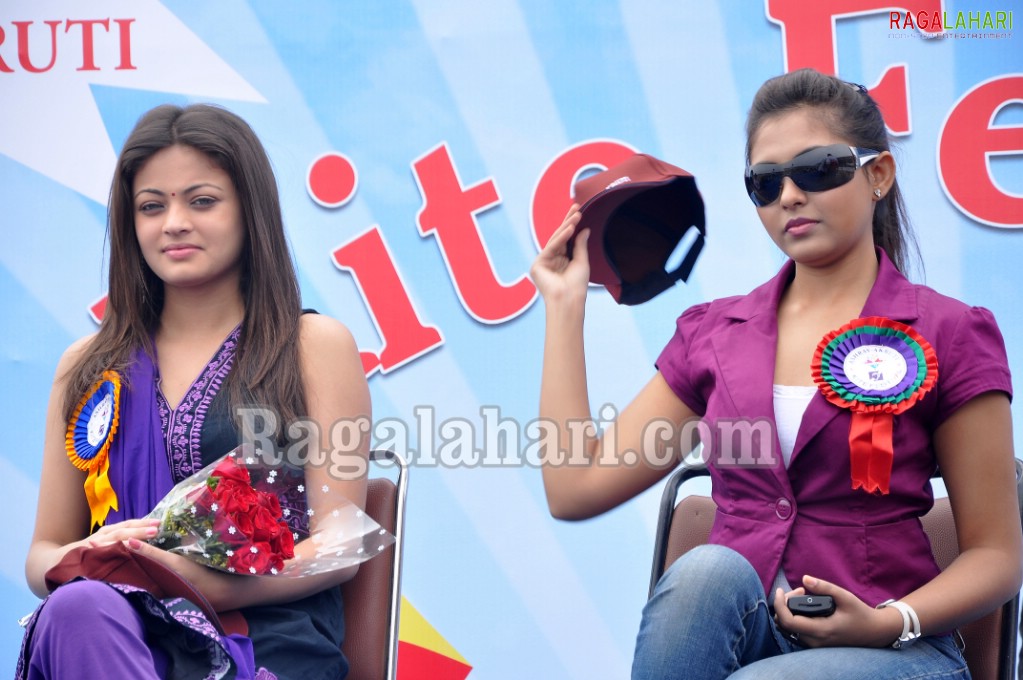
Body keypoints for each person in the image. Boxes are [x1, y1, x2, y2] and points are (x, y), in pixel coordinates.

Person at [531, 68, 1020, 679]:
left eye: (817, 169)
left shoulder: (950, 331)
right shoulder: (712, 334)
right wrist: (563, 307)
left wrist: (891, 619)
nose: (789, 194)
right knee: (707, 571)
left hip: (896, 650)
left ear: (878, 175)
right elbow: (575, 487)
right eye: (764, 183)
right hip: (749, 640)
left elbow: (997, 554)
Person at [19, 104, 371, 679]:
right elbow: (42, 556)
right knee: (77, 606)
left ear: (248, 211)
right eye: (151, 206)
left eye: (201, 201)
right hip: (118, 629)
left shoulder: (313, 345)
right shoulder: (85, 367)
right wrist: (96, 554)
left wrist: (212, 585)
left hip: (266, 637)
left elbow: (341, 543)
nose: (173, 223)